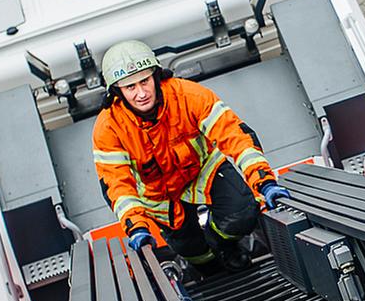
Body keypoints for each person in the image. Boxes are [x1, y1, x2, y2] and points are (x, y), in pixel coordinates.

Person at [92, 40, 292, 268]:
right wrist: (136, 225)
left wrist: (264, 182)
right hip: (159, 194)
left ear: (156, 76)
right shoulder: (108, 128)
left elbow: (235, 136)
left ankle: (224, 247)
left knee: (243, 214)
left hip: (203, 171)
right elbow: (116, 184)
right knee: (190, 249)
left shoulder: (189, 96)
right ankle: (209, 269)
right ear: (116, 91)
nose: (141, 93)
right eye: (130, 87)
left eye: (144, 81)